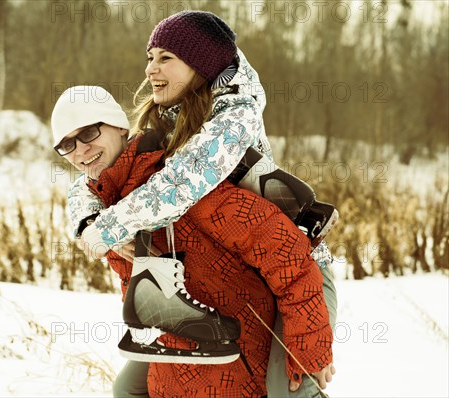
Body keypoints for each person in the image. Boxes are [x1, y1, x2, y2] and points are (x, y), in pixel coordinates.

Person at [55, 10, 337, 396]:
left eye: (165, 58)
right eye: (149, 57)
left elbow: (181, 184)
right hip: (247, 265)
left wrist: (108, 227)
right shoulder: (168, 122)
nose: (151, 68)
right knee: (129, 388)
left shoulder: (235, 117)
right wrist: (87, 221)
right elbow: (95, 180)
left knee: (291, 385)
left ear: (200, 64)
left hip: (297, 268)